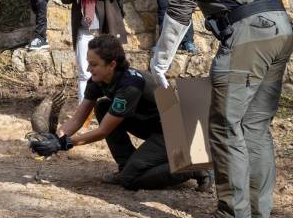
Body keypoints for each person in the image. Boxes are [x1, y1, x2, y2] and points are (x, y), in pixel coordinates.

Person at [151, 0, 293, 218]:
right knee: (255, 127)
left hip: (248, 35)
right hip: (280, 28)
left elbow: (181, 0)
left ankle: (232, 216)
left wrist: (160, 60)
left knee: (225, 124)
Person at [32, 35, 211, 191]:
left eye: (93, 64)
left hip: (179, 131)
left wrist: (65, 144)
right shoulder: (98, 80)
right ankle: (126, 165)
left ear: (112, 64)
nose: (88, 69)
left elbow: (103, 131)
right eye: (88, 63)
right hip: (156, 125)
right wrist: (56, 138)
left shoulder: (130, 85)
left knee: (130, 180)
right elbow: (78, 118)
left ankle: (193, 167)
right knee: (102, 107)